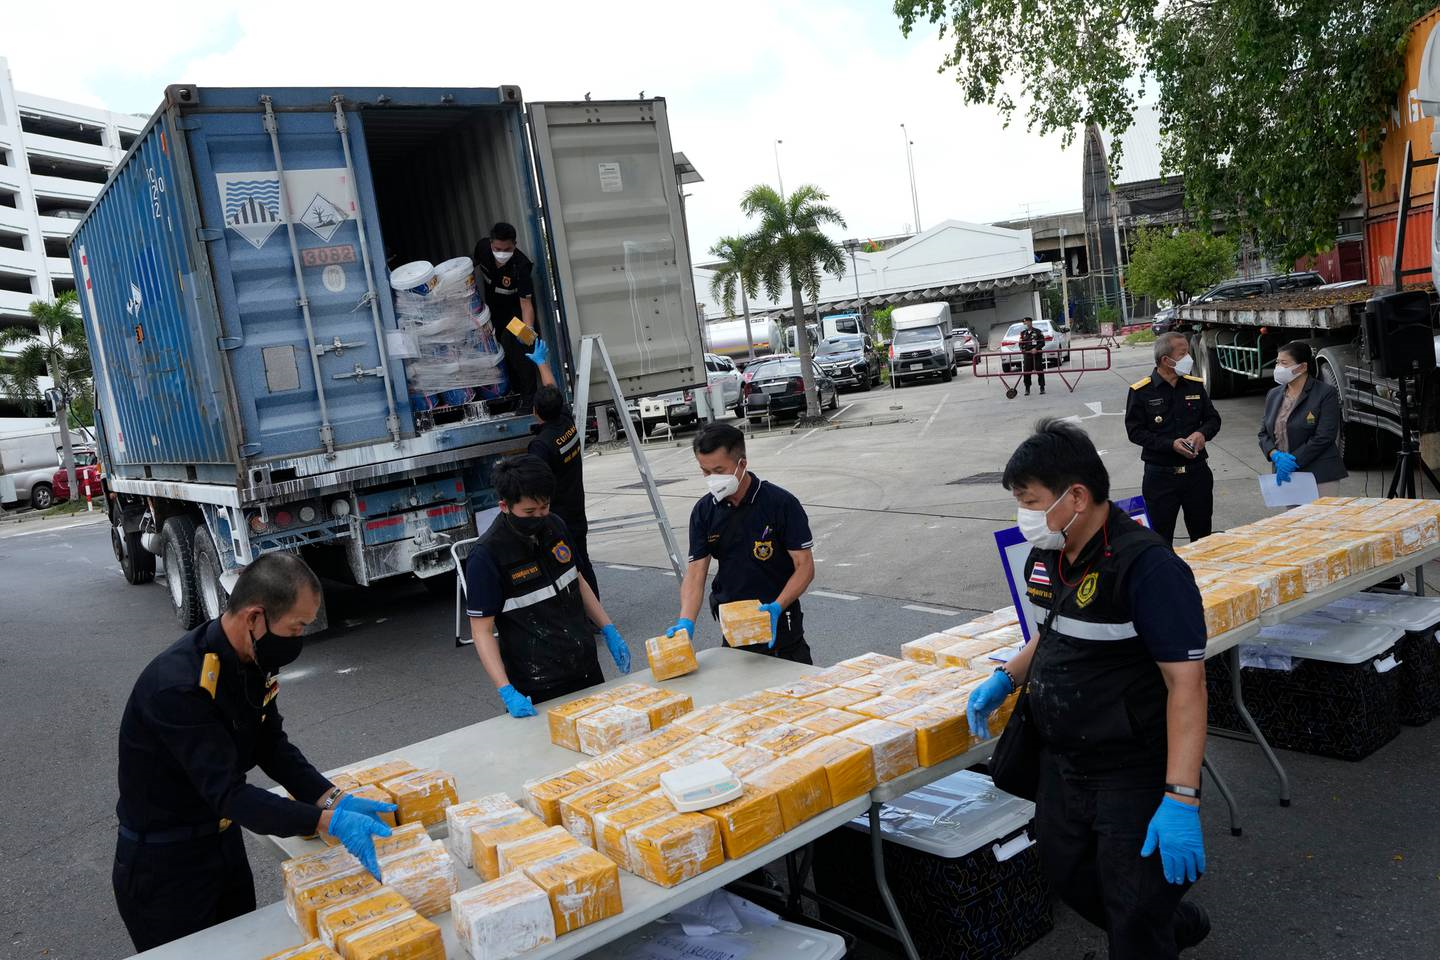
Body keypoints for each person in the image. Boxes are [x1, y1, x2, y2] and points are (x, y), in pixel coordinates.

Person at [968, 419, 1210, 959]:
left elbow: (1187, 684)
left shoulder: (1148, 568)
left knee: (1133, 910)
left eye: (1030, 502)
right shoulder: (1049, 555)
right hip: (1063, 762)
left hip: (1129, 767)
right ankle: (1165, 923)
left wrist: (1181, 797)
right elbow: (1052, 631)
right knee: (1068, 873)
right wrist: (1007, 676)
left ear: (1076, 496)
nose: (1024, 516)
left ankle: (1150, 928)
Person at [113, 554, 396, 952]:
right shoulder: (178, 687)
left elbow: (271, 746)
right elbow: (229, 793)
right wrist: (325, 821)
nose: (300, 638)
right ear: (254, 618)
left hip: (222, 847)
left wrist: (333, 798)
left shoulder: (252, 659)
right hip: (166, 869)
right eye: (296, 627)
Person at [465, 454, 631, 717]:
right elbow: (481, 631)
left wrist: (608, 628)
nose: (539, 517)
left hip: (585, 667)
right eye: (530, 512)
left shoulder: (555, 527)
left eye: (544, 507)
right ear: (504, 506)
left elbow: (576, 580)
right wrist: (505, 689)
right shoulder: (487, 556)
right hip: (537, 684)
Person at [666, 422, 816, 664]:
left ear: (742, 464)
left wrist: (777, 607)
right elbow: (695, 573)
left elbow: (805, 566)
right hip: (735, 634)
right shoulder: (704, 511)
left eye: (719, 470)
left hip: (782, 630)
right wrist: (686, 622)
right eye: (705, 472)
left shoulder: (780, 503)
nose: (712, 479)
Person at [1124, 332, 1222, 547]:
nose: (1189, 358)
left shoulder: (1195, 385)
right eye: (1183, 354)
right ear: (1166, 360)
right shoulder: (1141, 391)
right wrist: (1170, 445)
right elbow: (1135, 431)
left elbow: (1213, 419)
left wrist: (1202, 434)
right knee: (1160, 539)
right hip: (1160, 477)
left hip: (1196, 474)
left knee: (1202, 537)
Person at [524, 339, 598, 597]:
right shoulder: (566, 422)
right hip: (576, 507)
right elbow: (552, 390)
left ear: (536, 412)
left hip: (558, 517)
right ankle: (594, 610)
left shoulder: (541, 445)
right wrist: (542, 363)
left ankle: (583, 611)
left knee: (567, 567)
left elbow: (535, 483)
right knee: (582, 561)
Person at [1258, 340, 1347, 497]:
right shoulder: (1274, 394)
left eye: (1284, 363)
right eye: (1277, 362)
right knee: (1293, 513)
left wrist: (1293, 460)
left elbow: (1324, 436)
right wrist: (1275, 455)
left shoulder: (1325, 393)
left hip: (1319, 474)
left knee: (1319, 513)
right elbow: (1263, 433)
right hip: (1286, 473)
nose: (1278, 367)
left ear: (1302, 367)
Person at [473, 221, 539, 409]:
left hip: (514, 315)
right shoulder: (482, 249)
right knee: (496, 351)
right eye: (497, 249)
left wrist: (528, 332)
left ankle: (529, 399)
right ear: (491, 243)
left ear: (514, 245)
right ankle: (508, 396)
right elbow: (469, 269)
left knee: (519, 348)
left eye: (507, 249)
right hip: (492, 312)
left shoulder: (521, 266)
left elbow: (526, 304)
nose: (502, 253)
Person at [1018, 316, 1047, 396]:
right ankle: (1027, 388)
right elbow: (1020, 343)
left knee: (1040, 371)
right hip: (1027, 355)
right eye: (1024, 323)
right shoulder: (1023, 333)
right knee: (1027, 372)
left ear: (1030, 322)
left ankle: (1042, 387)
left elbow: (1042, 342)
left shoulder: (1038, 332)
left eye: (1026, 322)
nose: (1025, 324)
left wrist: (1036, 348)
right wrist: (1022, 349)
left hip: (1037, 355)